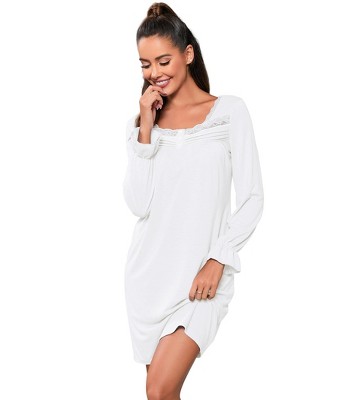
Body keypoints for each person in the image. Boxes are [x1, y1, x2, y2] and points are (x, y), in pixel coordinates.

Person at [123, 2, 264, 398]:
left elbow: (253, 197)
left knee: (159, 390)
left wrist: (218, 259)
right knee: (162, 395)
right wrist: (145, 128)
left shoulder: (229, 112)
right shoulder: (143, 127)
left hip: (202, 277)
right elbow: (138, 204)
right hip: (150, 278)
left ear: (187, 54)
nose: (155, 72)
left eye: (163, 60)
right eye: (145, 64)